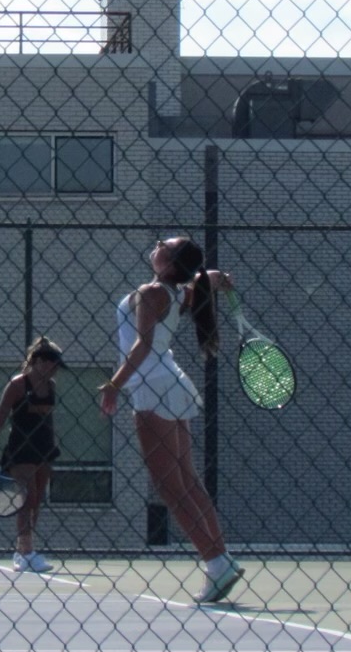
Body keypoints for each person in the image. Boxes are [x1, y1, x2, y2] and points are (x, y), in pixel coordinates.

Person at [98, 236, 245, 603]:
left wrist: (114, 385)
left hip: (152, 386)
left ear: (168, 263)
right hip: (174, 383)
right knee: (188, 480)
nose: (158, 242)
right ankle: (221, 557)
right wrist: (218, 276)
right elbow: (205, 277)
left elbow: (143, 344)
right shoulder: (184, 291)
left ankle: (215, 562)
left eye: (166, 244)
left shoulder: (151, 292)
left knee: (170, 486)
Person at [0, 336, 65, 573]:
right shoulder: (18, 384)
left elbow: (48, 419)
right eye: (51, 363)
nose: (54, 369)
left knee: (36, 502)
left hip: (44, 449)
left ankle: (22, 550)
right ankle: (27, 552)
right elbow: (0, 416)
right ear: (38, 361)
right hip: (20, 449)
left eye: (57, 365)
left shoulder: (52, 386)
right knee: (27, 498)